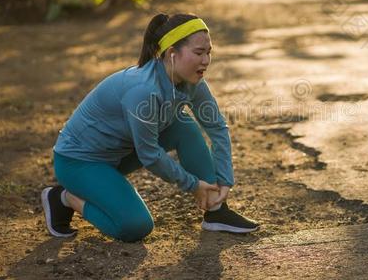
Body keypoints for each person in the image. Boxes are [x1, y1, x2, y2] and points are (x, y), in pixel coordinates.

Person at [41, 13, 259, 242]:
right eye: (198, 53)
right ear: (172, 54)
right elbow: (149, 155)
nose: (206, 60)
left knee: (184, 127)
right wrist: (193, 185)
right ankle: (65, 197)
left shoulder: (191, 81)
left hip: (120, 153)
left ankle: (216, 211)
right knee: (135, 226)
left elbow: (217, 127)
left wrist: (224, 180)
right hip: (79, 162)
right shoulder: (143, 90)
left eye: (208, 52)